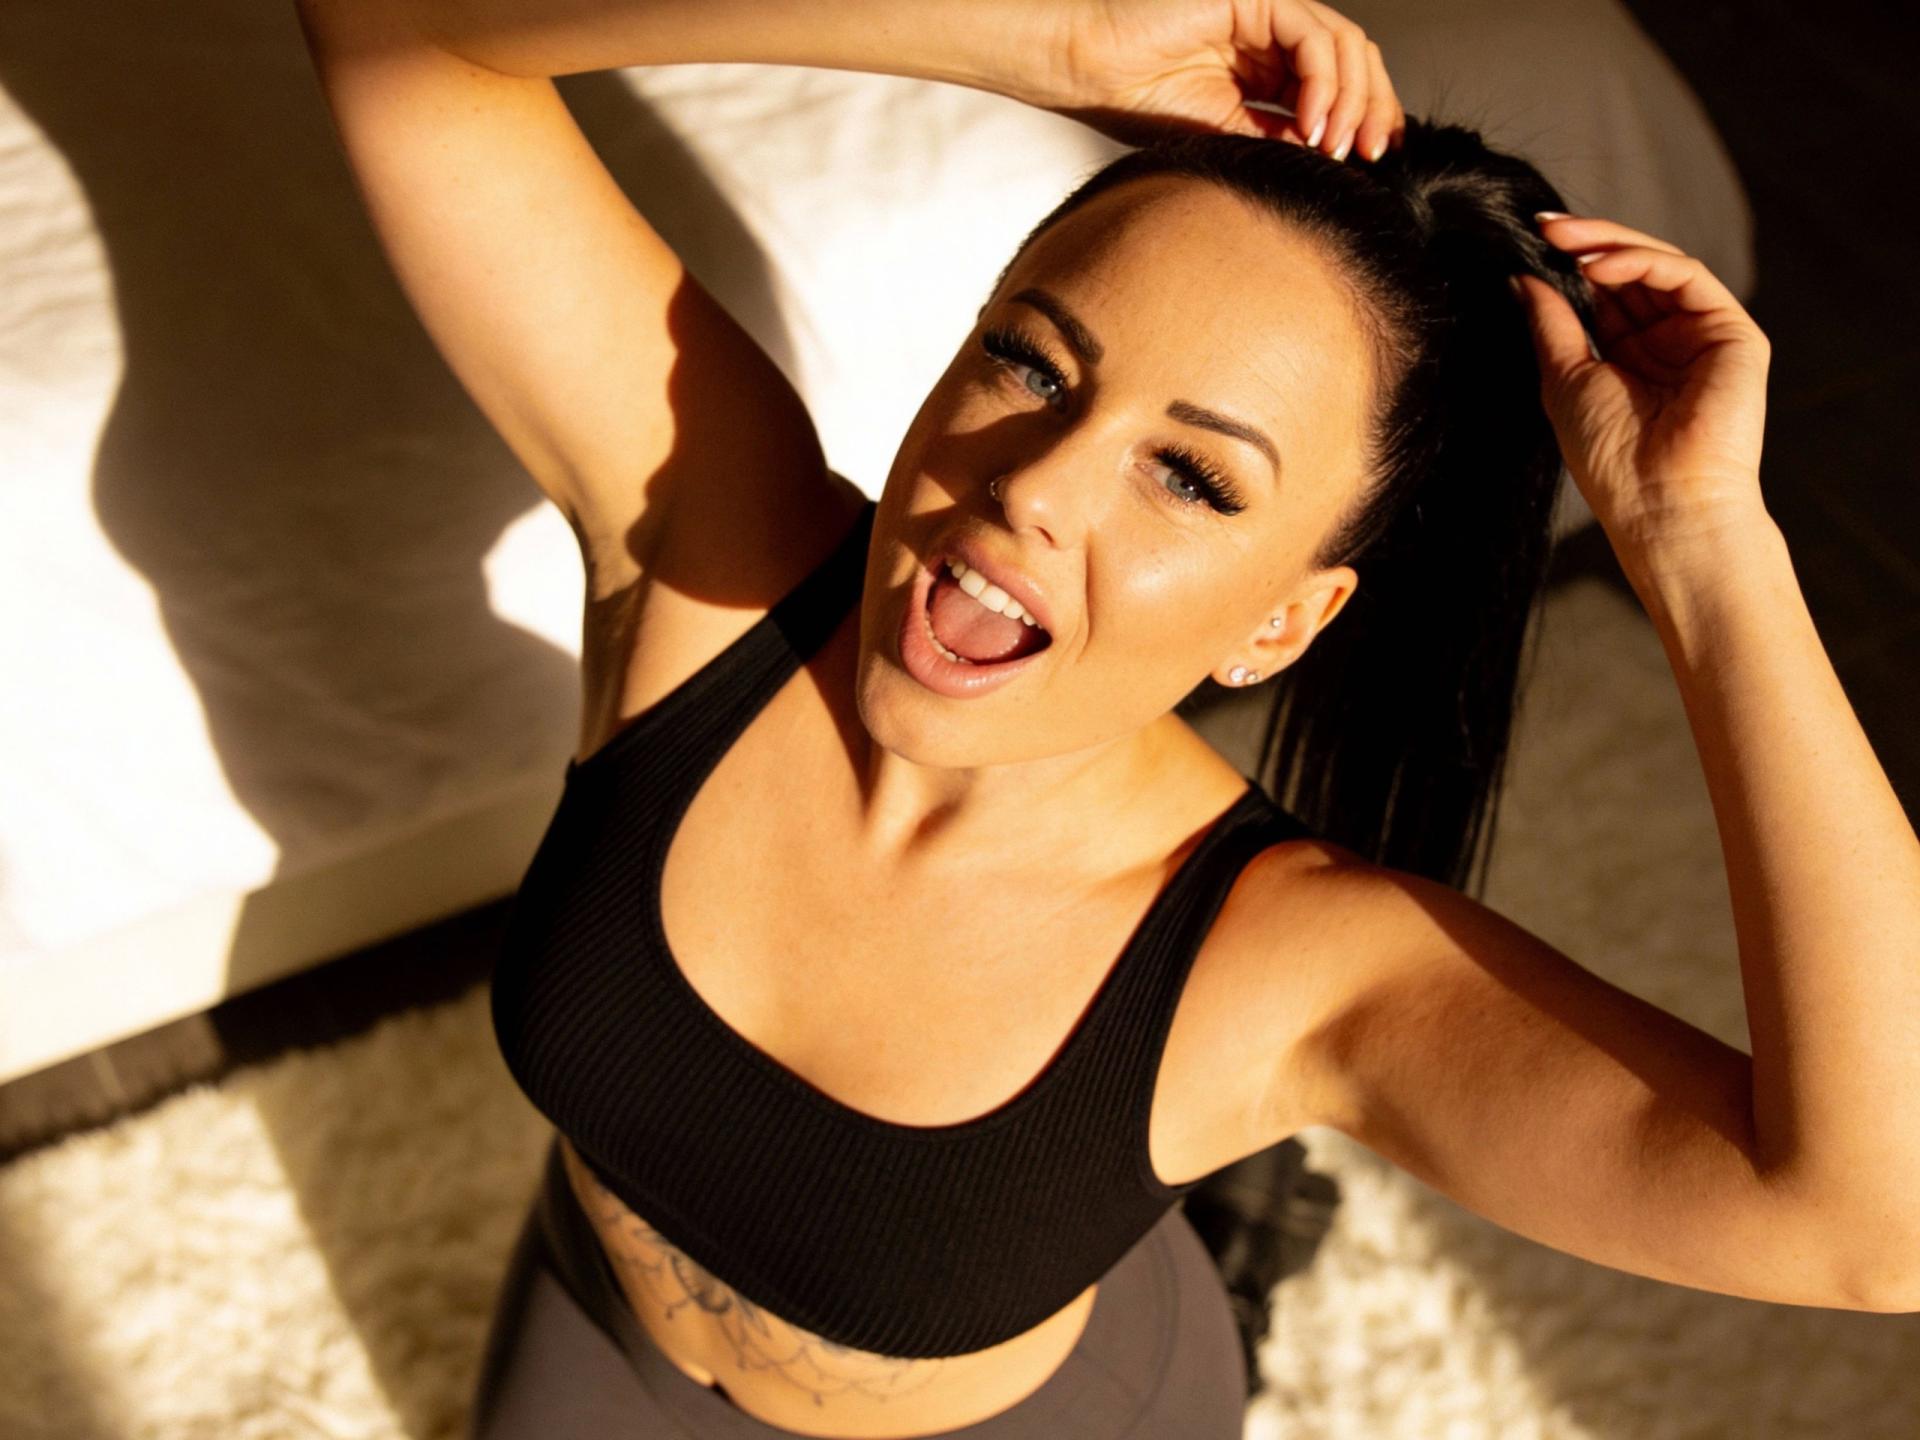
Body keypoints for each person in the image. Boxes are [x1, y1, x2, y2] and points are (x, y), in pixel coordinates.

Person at [291, 0, 1920, 1437]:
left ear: (1283, 621)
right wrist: (1041, 41)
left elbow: (1875, 1222)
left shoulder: (1284, 962)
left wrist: (1703, 542)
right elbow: (398, 29)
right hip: (593, 1342)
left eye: (1192, 478)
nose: (1038, 487)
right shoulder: (708, 560)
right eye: (1030, 362)